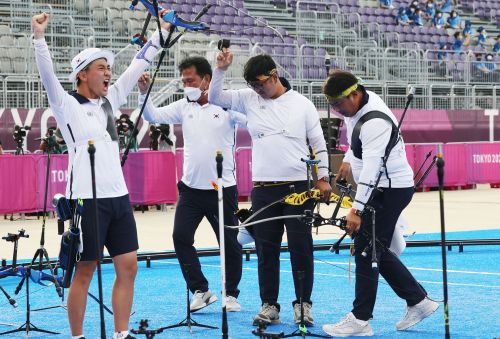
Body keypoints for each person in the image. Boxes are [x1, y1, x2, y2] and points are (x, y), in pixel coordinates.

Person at [32, 11, 171, 339]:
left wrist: (164, 28)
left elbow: (140, 61)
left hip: (118, 198)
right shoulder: (65, 104)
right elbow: (48, 74)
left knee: (129, 267)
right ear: (82, 75)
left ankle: (122, 334)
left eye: (109, 67)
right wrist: (39, 37)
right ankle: (78, 337)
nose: (109, 72)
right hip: (86, 200)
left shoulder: (111, 100)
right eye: (101, 68)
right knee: (84, 272)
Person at [209, 51, 332, 327]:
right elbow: (216, 98)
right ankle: (269, 305)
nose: (257, 90)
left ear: (274, 76)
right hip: (263, 189)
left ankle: (303, 304)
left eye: (260, 84)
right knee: (267, 250)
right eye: (252, 85)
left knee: (301, 247)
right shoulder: (248, 98)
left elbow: (319, 143)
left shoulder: (302, 104)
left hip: (298, 188)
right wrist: (220, 70)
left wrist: (322, 178)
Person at [321, 70, 439, 337]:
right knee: (372, 248)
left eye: (339, 104)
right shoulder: (357, 107)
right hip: (383, 188)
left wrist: (356, 209)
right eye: (332, 106)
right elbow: (356, 138)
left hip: (388, 189)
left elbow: (373, 169)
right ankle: (417, 301)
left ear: (354, 94)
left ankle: (362, 319)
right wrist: (349, 159)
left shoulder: (375, 121)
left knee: (368, 250)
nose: (337, 111)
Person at [136, 56, 245, 312]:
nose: (187, 85)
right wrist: (143, 93)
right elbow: (152, 115)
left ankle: (230, 294)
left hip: (222, 188)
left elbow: (255, 121)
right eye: (184, 81)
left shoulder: (227, 107)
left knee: (229, 241)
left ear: (207, 80)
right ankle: (200, 290)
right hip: (190, 189)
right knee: (181, 237)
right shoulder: (184, 106)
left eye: (191, 80)